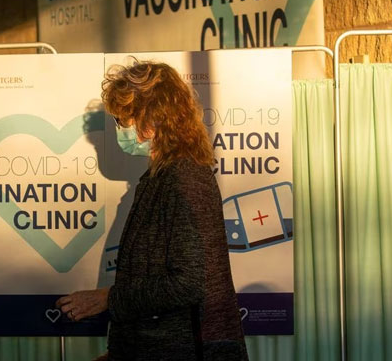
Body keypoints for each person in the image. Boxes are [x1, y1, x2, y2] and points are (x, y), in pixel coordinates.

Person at [56, 60, 248, 360]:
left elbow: (187, 283)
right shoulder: (160, 178)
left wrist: (108, 298)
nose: (119, 130)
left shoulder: (186, 179)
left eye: (122, 120)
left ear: (153, 118)